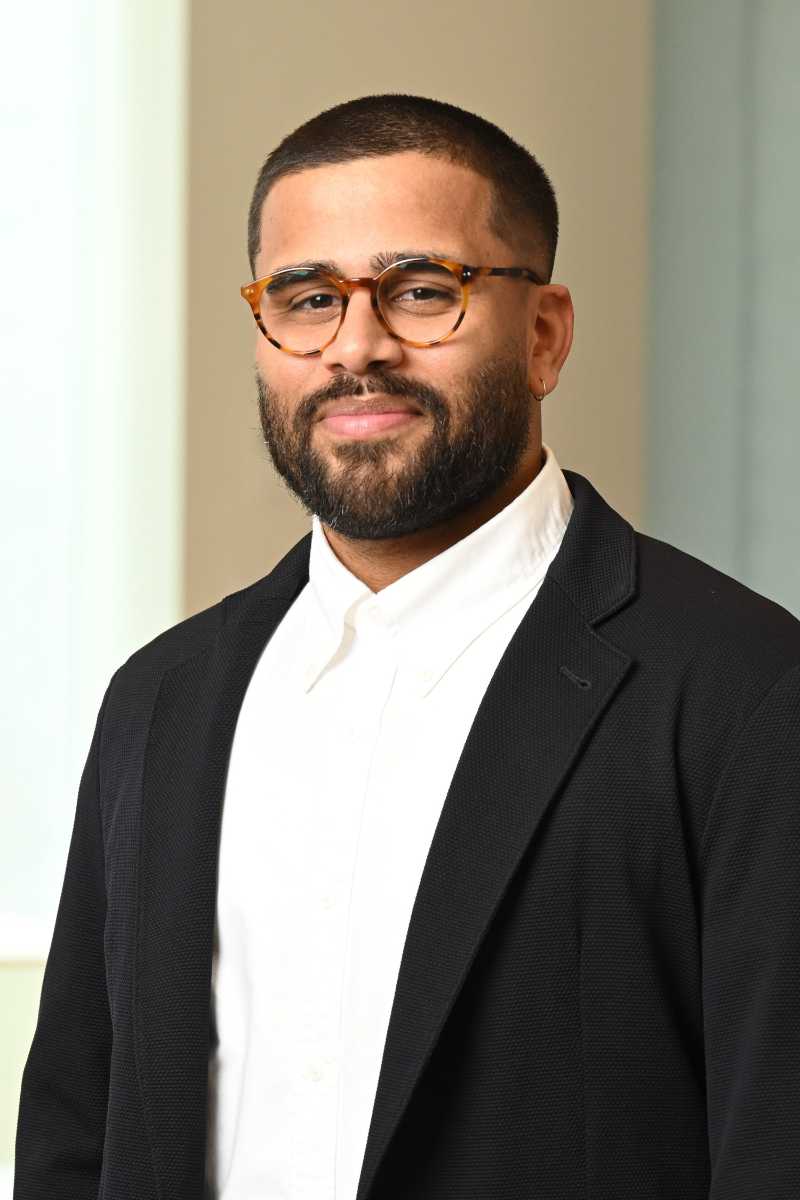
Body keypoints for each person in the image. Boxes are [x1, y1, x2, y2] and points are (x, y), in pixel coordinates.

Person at [14, 93, 800, 1200]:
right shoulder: (160, 697)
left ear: (543, 334)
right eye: (307, 299)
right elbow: (73, 1137)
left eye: (422, 292)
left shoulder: (743, 690)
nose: (356, 349)